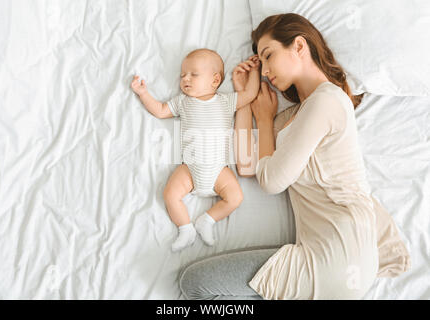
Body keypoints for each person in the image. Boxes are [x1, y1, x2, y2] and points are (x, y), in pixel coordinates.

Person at [179, 13, 411, 300]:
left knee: (197, 284)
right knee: (199, 285)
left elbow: (272, 181)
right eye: (260, 63)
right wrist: (245, 101)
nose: (264, 71)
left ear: (299, 46)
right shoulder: (291, 118)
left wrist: (264, 123)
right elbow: (249, 166)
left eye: (268, 55)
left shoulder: (328, 99)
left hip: (339, 254)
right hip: (338, 259)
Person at [131, 48, 260, 252]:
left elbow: (251, 94)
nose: (185, 79)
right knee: (170, 195)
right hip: (189, 168)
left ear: (215, 80)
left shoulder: (226, 101)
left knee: (235, 198)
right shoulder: (182, 102)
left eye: (193, 74)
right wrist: (143, 93)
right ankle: (185, 229)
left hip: (219, 170)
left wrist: (255, 71)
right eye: (182, 75)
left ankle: (207, 220)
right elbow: (160, 110)